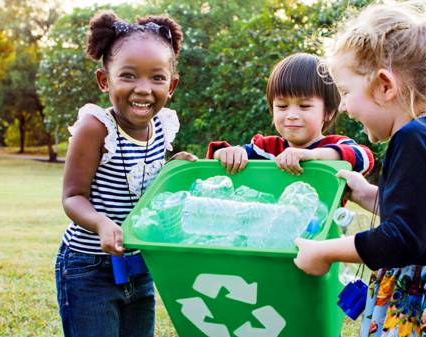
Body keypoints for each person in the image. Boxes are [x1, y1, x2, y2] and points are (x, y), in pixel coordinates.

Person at [293, 2, 426, 337]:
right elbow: (422, 216)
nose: (346, 106)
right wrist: (366, 193)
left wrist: (325, 252)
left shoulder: (413, 139)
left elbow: (401, 240)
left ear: (384, 86)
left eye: (347, 92)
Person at [55, 11, 196, 337]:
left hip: (139, 265)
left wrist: (172, 169)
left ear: (171, 85)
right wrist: (102, 223)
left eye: (157, 78)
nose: (143, 89)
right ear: (105, 80)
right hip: (89, 268)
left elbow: (144, 184)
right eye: (129, 76)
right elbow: (72, 196)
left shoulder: (162, 126)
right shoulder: (95, 127)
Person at [206, 53, 374, 177]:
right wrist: (226, 154)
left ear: (328, 112)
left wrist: (312, 155)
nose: (292, 115)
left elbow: (365, 159)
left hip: (323, 225)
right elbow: (218, 156)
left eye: (304, 106)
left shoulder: (336, 145)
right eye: (282, 106)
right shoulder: (266, 150)